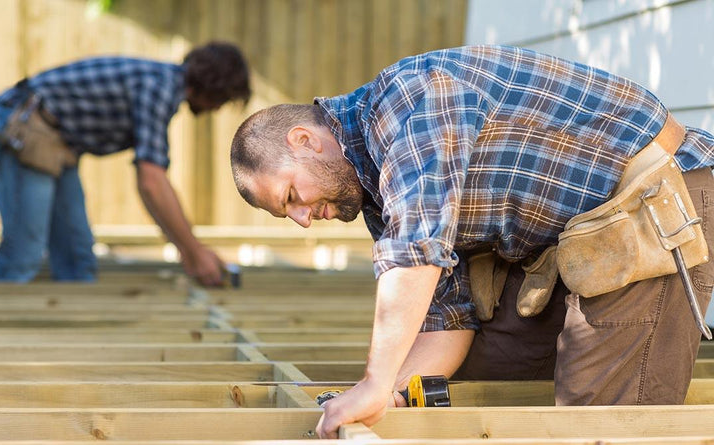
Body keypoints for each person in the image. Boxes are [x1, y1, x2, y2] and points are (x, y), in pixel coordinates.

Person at [229, 45, 714, 438]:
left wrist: (374, 380)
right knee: (487, 369)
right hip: (582, 245)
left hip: (655, 206)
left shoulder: (406, 101)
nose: (301, 220)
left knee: (598, 421)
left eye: (291, 195)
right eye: (286, 213)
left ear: (304, 140)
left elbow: (416, 247)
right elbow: (447, 319)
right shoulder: (378, 192)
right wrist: (391, 392)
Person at [0, 42, 250, 285]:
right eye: (223, 100)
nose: (217, 109)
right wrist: (193, 252)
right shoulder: (159, 86)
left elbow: (152, 188)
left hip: (58, 140)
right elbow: (151, 182)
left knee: (77, 260)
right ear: (215, 87)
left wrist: (190, 250)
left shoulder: (164, 84)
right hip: (25, 126)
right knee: (24, 251)